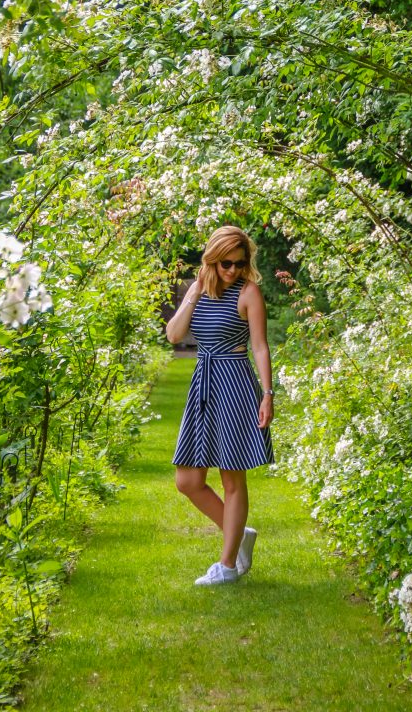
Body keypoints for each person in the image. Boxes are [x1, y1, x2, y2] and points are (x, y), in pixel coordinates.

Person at [167, 225, 275, 586]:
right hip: (203, 383)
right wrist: (194, 292)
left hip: (234, 384)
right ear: (212, 260)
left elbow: (260, 346)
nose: (233, 271)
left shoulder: (248, 293)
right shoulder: (199, 290)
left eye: (240, 264)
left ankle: (227, 565)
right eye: (227, 263)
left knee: (232, 477)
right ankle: (239, 532)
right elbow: (174, 335)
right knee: (188, 480)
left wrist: (267, 394)